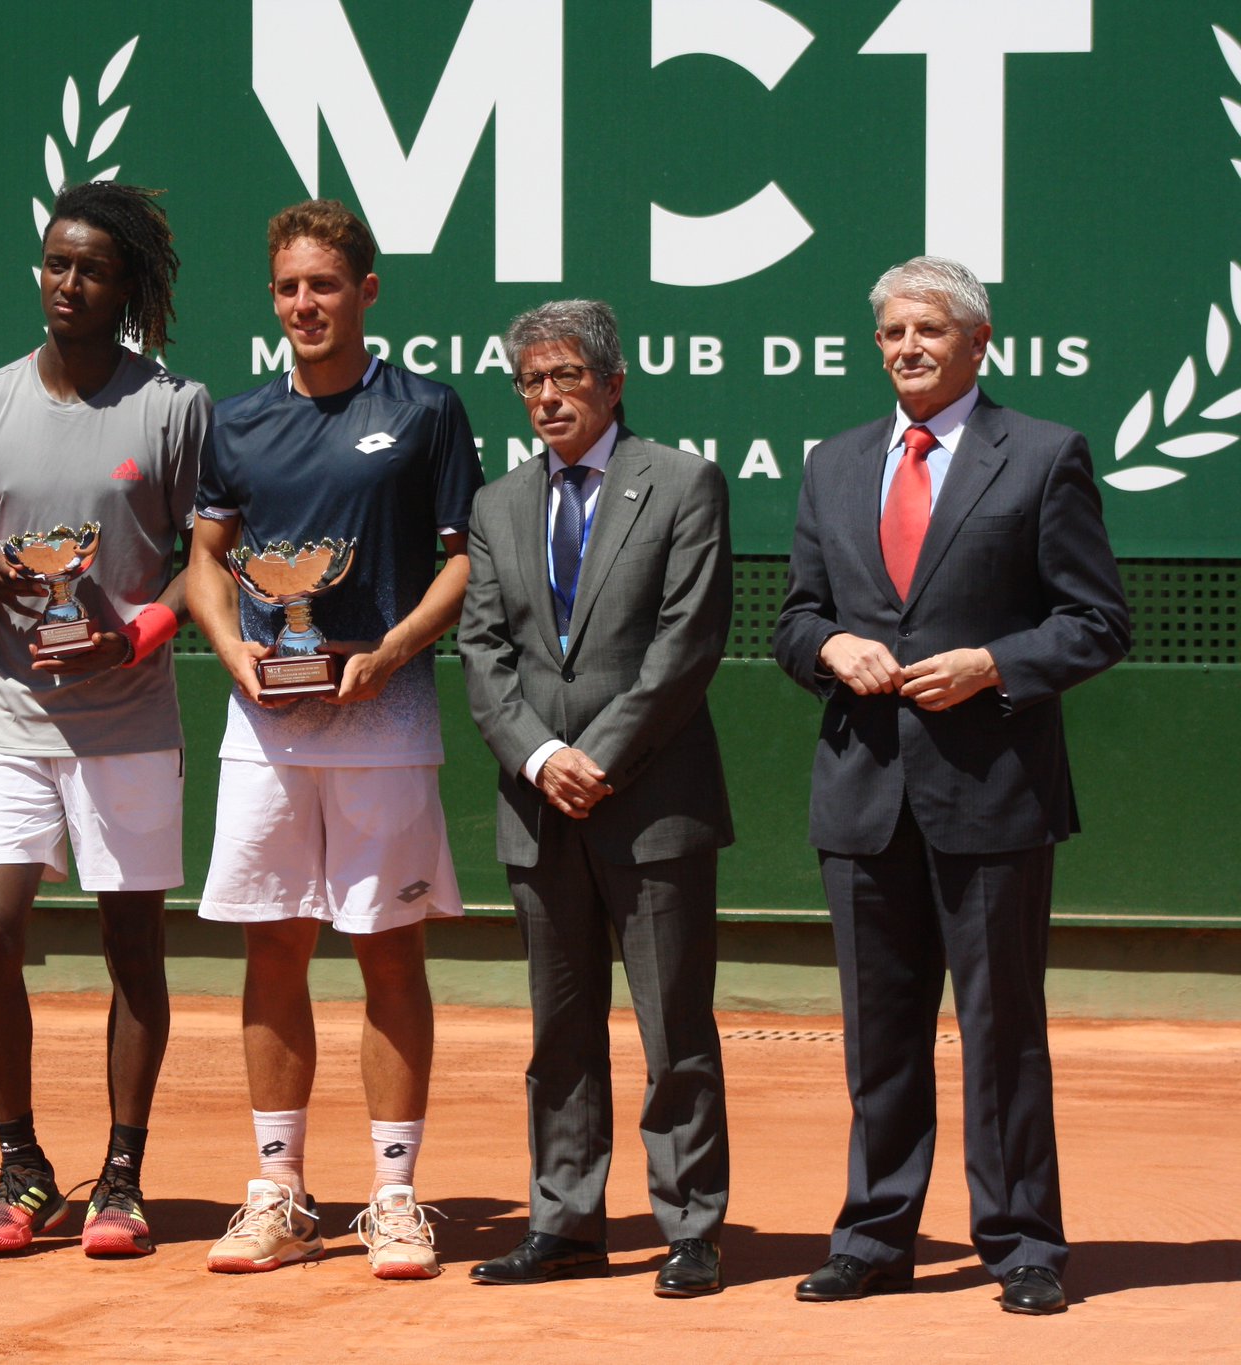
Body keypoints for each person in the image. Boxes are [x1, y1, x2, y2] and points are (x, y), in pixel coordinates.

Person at [774, 256, 1131, 1315]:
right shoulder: (832, 464)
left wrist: (994, 665)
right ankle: (874, 1234)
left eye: (927, 329)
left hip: (992, 793)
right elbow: (793, 620)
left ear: (977, 342)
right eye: (889, 332)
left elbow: (1095, 621)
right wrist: (831, 648)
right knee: (877, 1033)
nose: (906, 348)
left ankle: (1021, 1243)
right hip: (861, 794)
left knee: (1000, 1032)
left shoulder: (1041, 456)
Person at [186, 199, 483, 1280]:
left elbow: (460, 559)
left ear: (365, 292)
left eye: (323, 285)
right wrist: (233, 654)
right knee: (273, 943)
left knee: (385, 947)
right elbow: (207, 557)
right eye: (286, 288)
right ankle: (277, 1192)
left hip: (384, 718)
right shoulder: (239, 418)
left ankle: (394, 1198)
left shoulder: (425, 411)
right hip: (265, 727)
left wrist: (393, 650)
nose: (303, 304)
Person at [0, 181, 208, 1259]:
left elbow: (205, 559)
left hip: (130, 721)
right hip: (10, 717)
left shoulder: (172, 407)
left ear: (128, 285)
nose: (67, 282)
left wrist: (136, 633)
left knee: (130, 942)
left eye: (91, 267)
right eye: (55, 262)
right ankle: (21, 1163)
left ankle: (123, 1177)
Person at [459, 300, 735, 1295]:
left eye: (563, 378)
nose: (544, 398)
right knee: (558, 1031)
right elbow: (482, 655)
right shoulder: (497, 504)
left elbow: (684, 646)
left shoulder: (681, 482)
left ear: (611, 384)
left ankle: (690, 1225)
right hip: (539, 809)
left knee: (674, 1030)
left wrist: (596, 756)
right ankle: (565, 1221)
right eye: (529, 381)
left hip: (650, 803)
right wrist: (540, 760)